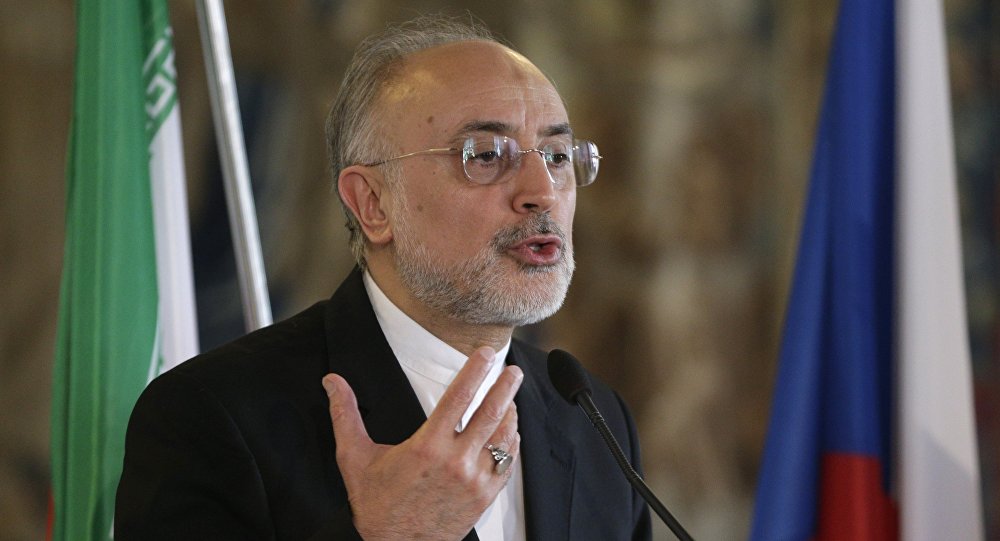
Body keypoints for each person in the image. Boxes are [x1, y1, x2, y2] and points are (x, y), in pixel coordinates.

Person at [116, 15, 651, 541]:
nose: (543, 191)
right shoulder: (211, 417)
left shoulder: (596, 421)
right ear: (372, 203)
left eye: (557, 156)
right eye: (486, 155)